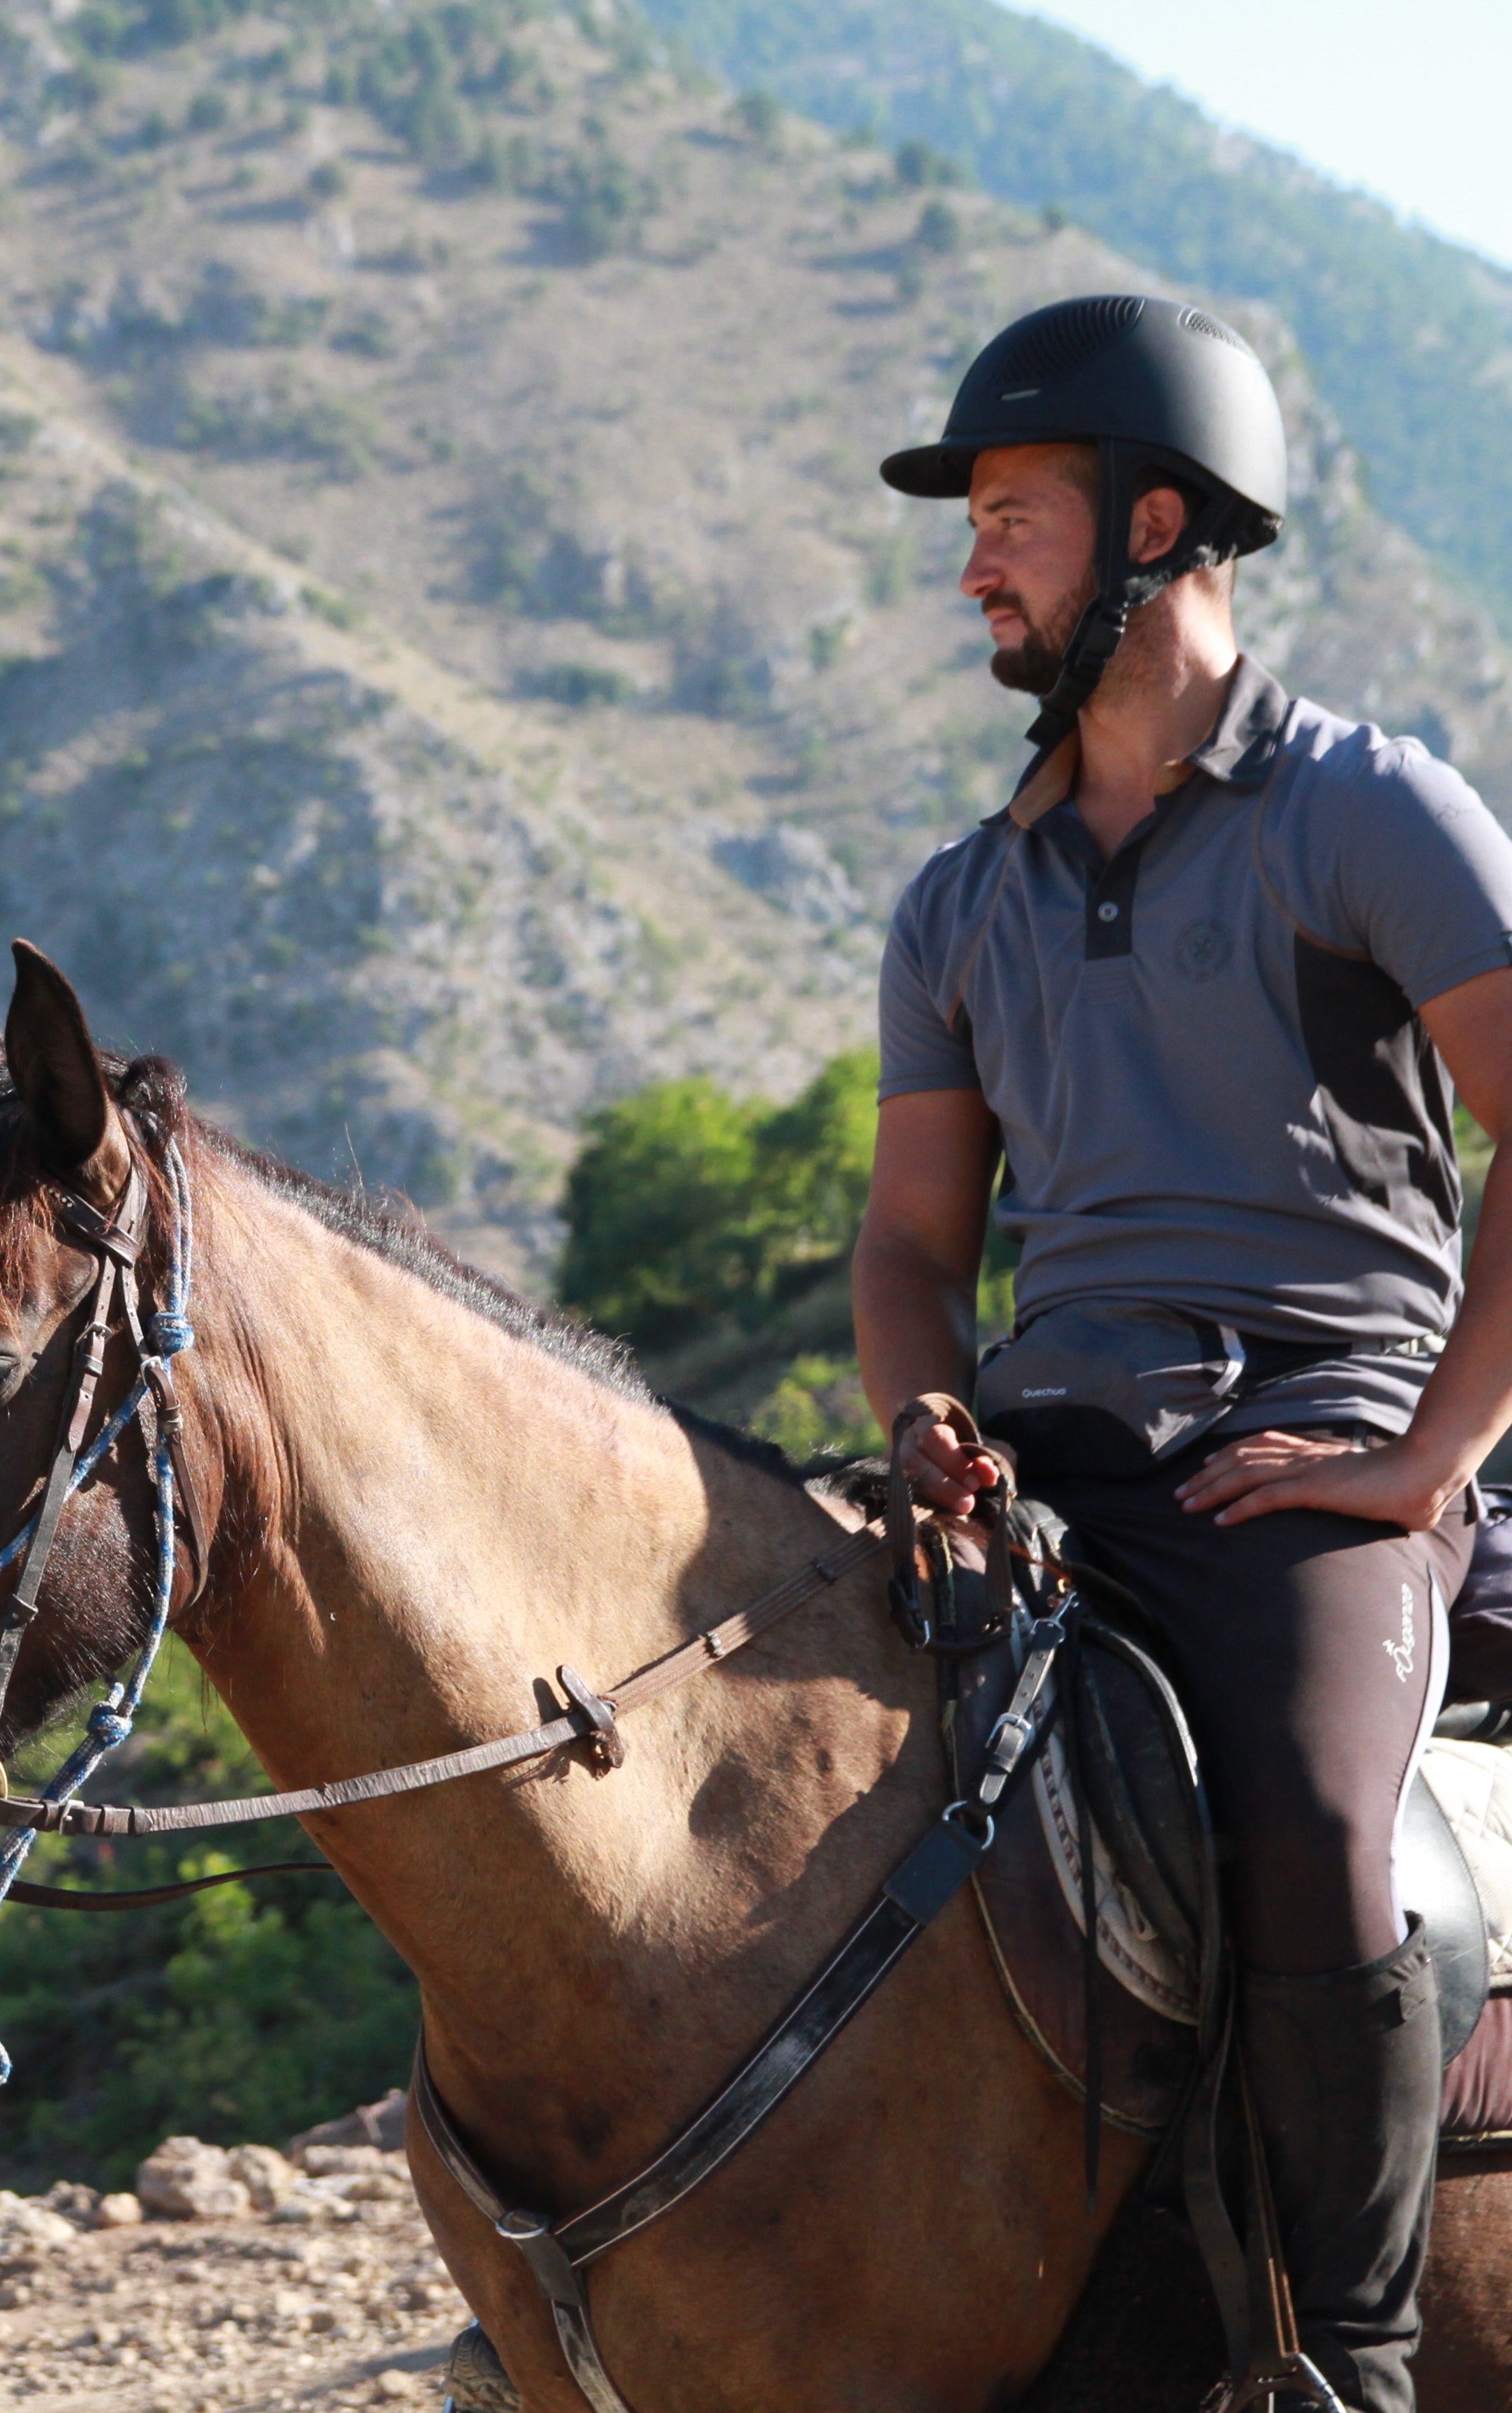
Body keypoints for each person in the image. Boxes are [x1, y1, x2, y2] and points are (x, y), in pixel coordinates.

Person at [855, 294, 1512, 2410]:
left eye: (1015, 517)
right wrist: (923, 1424)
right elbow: (906, 1245)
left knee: (1323, 1826)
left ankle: (1364, 2365)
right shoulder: (963, 901)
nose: (974, 564)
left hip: (1309, 1452)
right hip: (1049, 1455)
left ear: (1158, 528)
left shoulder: (1369, 815)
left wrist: (1424, 1462)